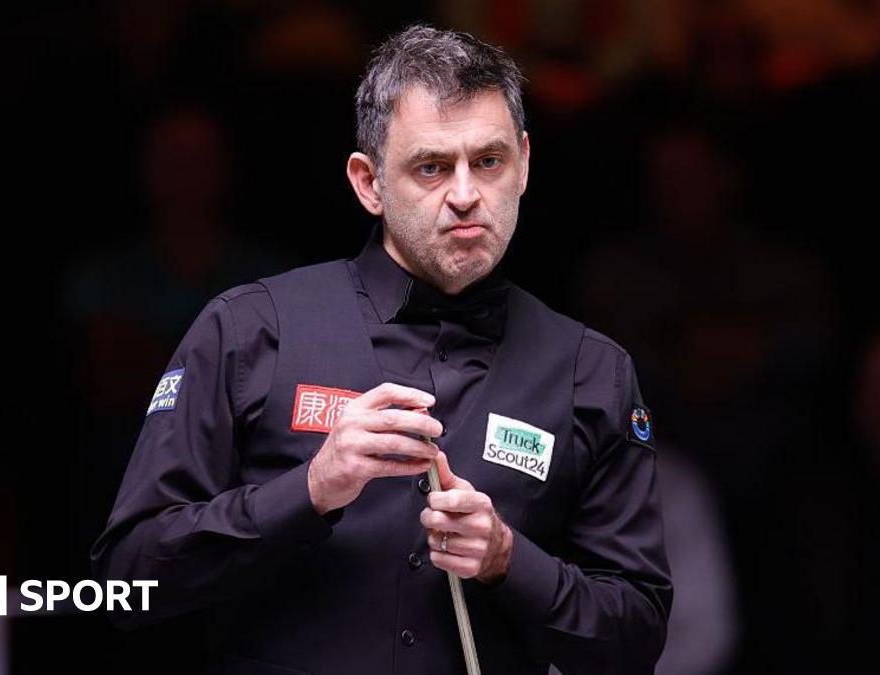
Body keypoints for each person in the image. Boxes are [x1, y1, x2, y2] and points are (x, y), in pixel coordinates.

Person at [91, 24, 671, 675]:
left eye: (488, 161)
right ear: (368, 183)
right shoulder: (251, 329)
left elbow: (637, 638)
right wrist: (310, 489)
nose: (465, 195)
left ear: (525, 164)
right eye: (431, 167)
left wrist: (508, 558)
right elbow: (128, 580)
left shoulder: (592, 372)